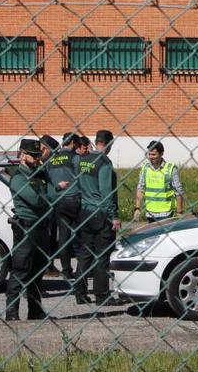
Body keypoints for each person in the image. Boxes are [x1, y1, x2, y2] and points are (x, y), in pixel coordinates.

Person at [73, 130, 123, 306]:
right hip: (100, 213)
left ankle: (79, 293)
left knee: (85, 253)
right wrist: (114, 216)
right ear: (109, 144)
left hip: (85, 211)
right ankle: (102, 295)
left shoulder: (83, 160)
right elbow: (106, 193)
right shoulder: (104, 163)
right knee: (102, 255)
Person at [5, 139, 51, 321]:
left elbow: (50, 194)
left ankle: (35, 310)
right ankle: (12, 312)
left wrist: (47, 194)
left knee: (37, 272)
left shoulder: (38, 175)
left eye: (38, 155)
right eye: (34, 155)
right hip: (26, 228)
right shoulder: (18, 177)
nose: (37, 158)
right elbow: (37, 200)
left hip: (40, 227)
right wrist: (47, 196)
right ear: (23, 155)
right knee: (21, 270)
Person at [45, 132, 81, 281]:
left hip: (57, 201)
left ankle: (66, 270)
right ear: (72, 142)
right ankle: (83, 270)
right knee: (81, 236)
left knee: (64, 236)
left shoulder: (51, 159)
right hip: (74, 199)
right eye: (77, 144)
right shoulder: (74, 157)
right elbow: (81, 177)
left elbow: (48, 180)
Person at [133, 140, 184, 222]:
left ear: (161, 154)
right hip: (149, 213)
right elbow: (140, 188)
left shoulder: (171, 169)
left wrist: (179, 212)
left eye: (153, 154)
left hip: (166, 213)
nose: (150, 157)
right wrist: (137, 208)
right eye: (149, 154)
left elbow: (178, 192)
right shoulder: (145, 168)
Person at [39, 135, 63, 278]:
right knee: (45, 238)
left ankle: (49, 265)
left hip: (51, 205)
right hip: (43, 205)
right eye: (52, 152)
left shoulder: (48, 163)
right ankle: (45, 266)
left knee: (52, 237)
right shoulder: (38, 164)